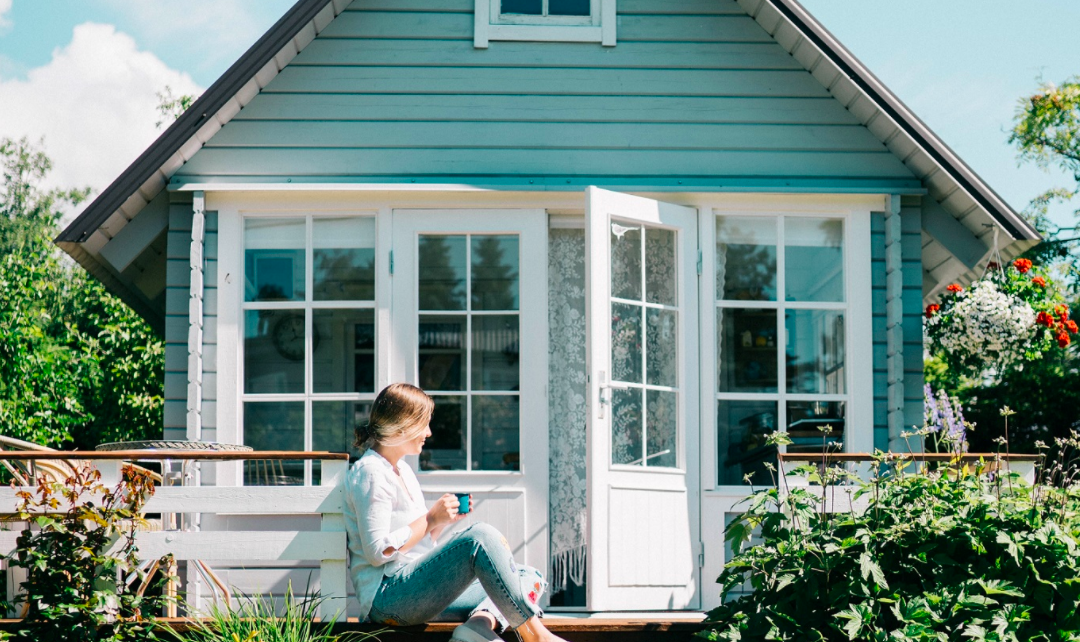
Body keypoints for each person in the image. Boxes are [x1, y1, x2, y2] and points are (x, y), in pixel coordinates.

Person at [343, 383, 569, 642]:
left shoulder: (401, 470)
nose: (428, 432)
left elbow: (416, 547)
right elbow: (378, 552)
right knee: (479, 536)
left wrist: (439, 522)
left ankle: (478, 626)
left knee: (528, 576)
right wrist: (429, 519)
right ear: (402, 425)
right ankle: (537, 636)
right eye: (424, 424)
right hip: (388, 598)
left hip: (415, 591)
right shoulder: (371, 472)